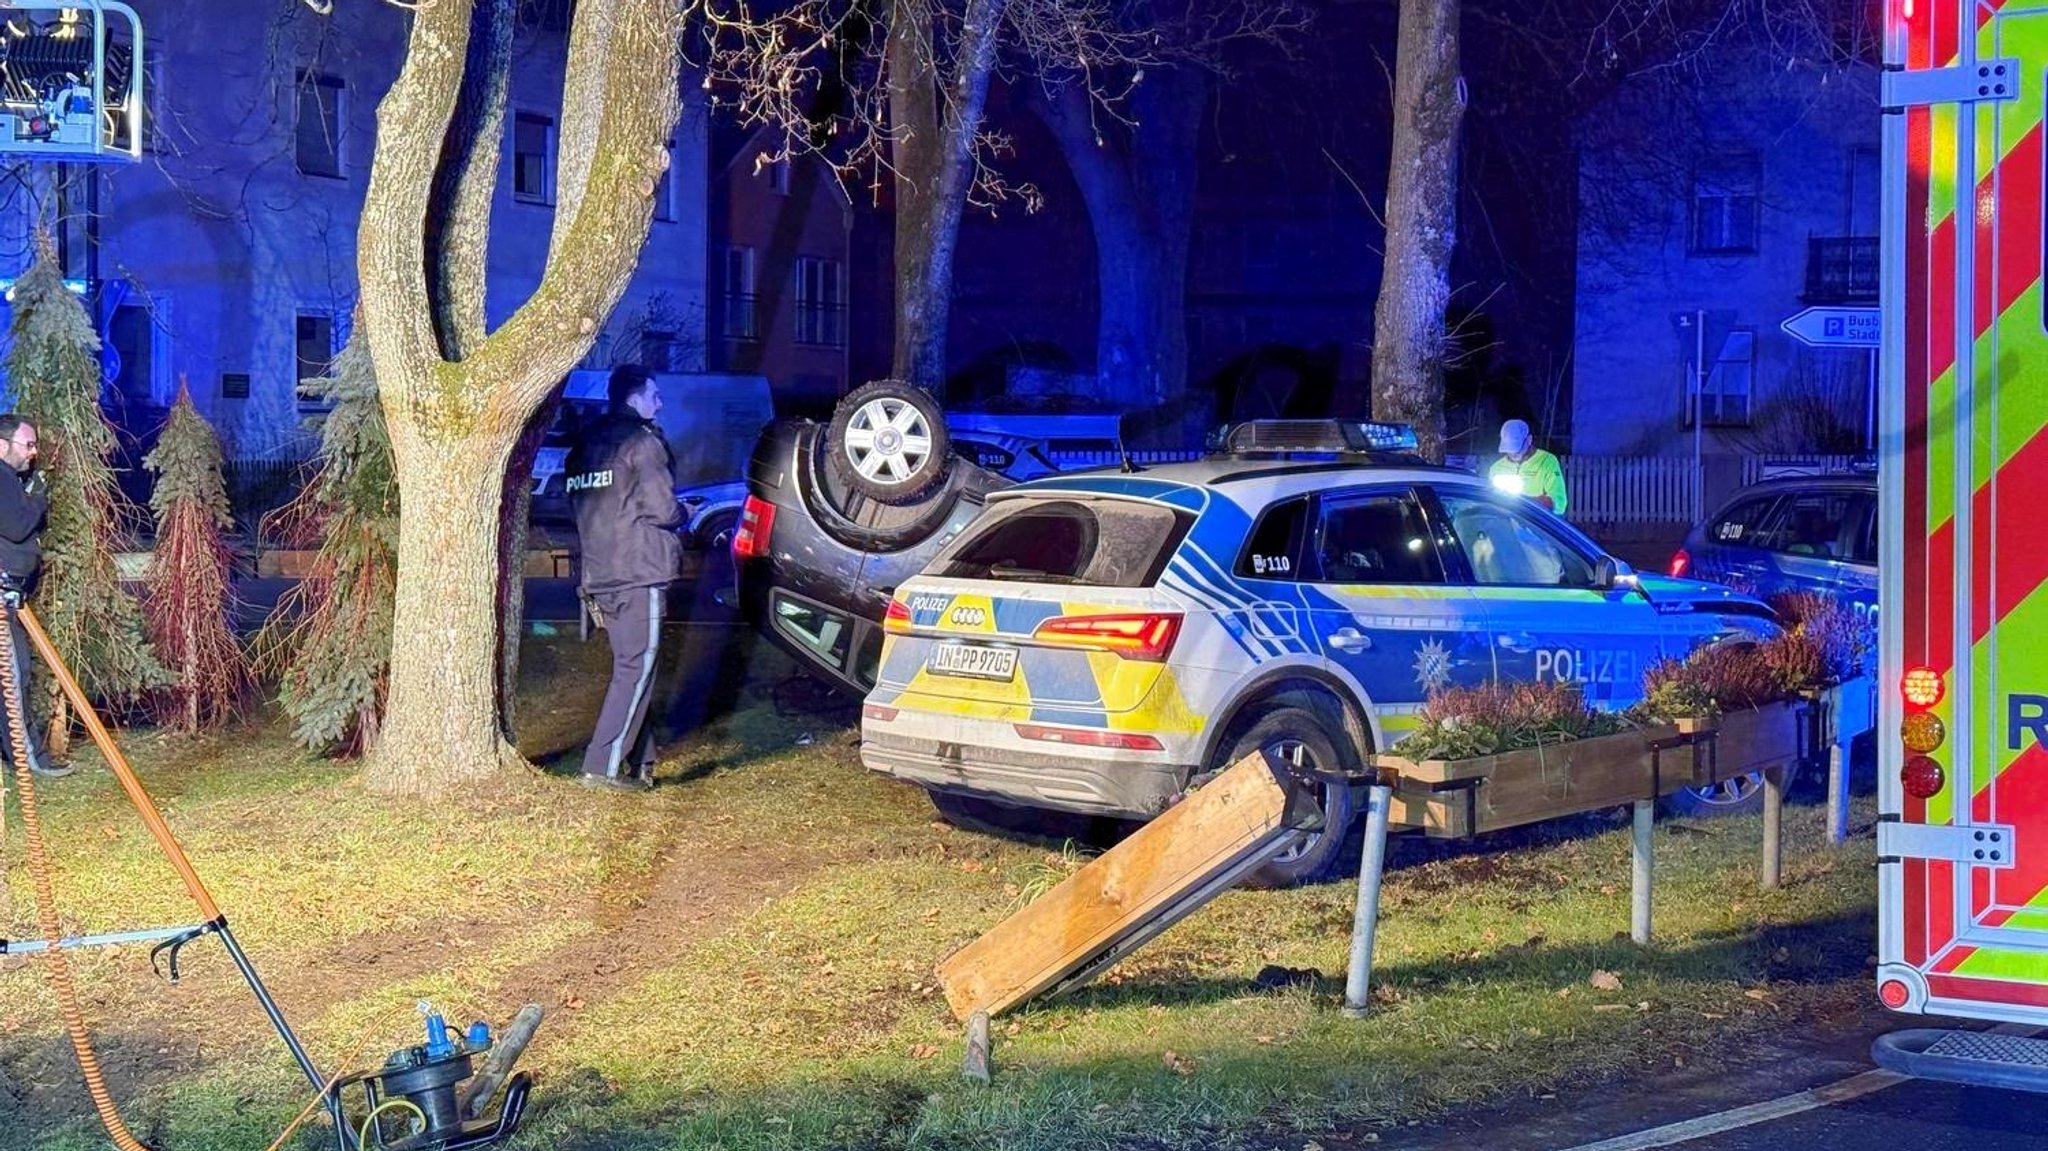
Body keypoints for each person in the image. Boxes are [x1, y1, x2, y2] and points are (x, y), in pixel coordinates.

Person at [566, 366, 682, 791]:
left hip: (601, 575)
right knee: (636, 668)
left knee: (635, 668)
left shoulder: (584, 447)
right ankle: (602, 767)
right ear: (634, 398)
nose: (660, 402)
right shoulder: (642, 444)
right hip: (638, 572)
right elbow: (664, 509)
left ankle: (640, 763)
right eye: (654, 394)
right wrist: (683, 512)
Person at [0, 414, 65, 778]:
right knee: (12, 678)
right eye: (27, 445)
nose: (33, 453)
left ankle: (25, 756)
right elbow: (18, 524)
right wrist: (38, 496)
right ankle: (28, 760)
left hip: (11, 595)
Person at [1488, 418, 1569, 515]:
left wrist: (1527, 505)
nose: (1513, 453)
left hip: (1536, 525)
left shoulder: (1547, 461)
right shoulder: (1496, 468)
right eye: (1508, 448)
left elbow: (1559, 503)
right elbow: (1489, 501)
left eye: (1517, 448)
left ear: (1529, 440)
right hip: (1505, 525)